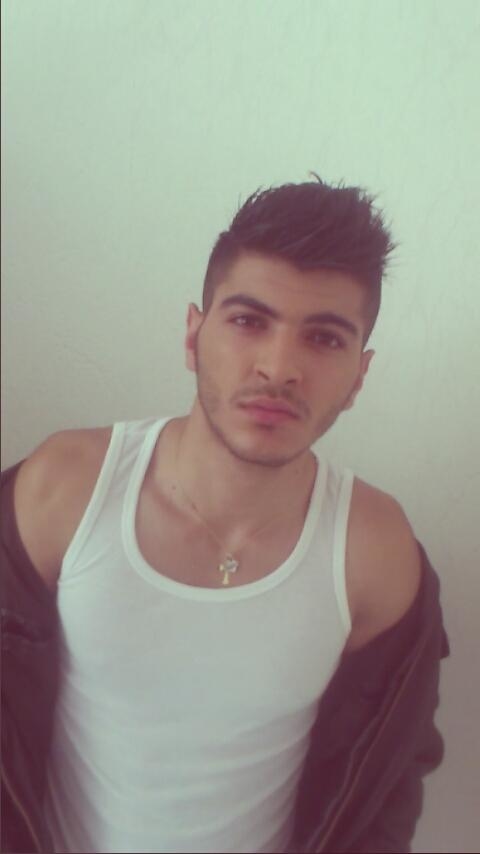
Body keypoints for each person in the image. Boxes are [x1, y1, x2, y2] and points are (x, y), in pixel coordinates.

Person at [1, 175, 449, 854]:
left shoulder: (373, 549)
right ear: (193, 335)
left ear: (360, 375)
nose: (279, 366)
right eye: (248, 321)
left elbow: (386, 785)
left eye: (324, 339)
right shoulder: (65, 488)